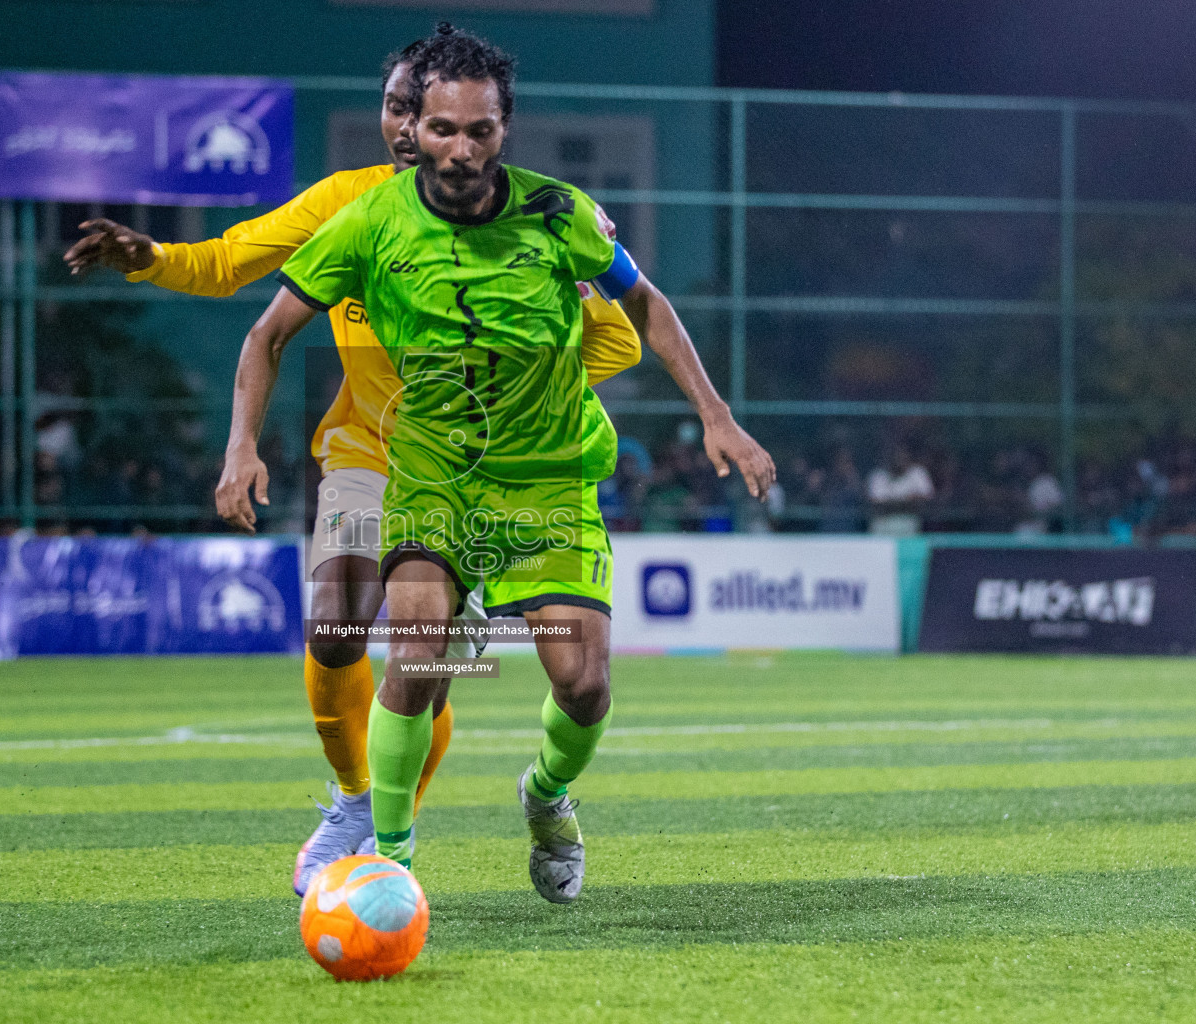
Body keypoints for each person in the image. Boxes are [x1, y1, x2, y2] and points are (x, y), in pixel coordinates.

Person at [62, 30, 644, 896]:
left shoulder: (524, 218)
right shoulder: (352, 205)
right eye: (397, 106)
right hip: (366, 451)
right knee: (336, 614)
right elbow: (231, 264)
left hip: (496, 466)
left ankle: (396, 824)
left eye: (427, 109)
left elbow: (620, 336)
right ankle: (353, 804)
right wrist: (152, 260)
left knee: (428, 673)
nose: (410, 126)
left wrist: (499, 378)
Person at [219, 26, 773, 902]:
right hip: (432, 476)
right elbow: (267, 333)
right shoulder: (366, 220)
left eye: (479, 130)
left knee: (583, 684)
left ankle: (546, 797)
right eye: (442, 128)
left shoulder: (561, 214)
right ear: (415, 130)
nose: (460, 148)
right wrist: (240, 445)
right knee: (417, 655)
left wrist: (718, 417)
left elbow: (648, 306)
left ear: (504, 127)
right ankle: (388, 866)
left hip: (546, 481)